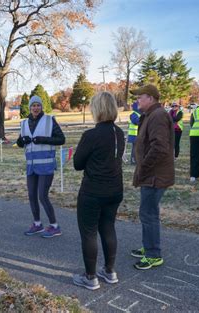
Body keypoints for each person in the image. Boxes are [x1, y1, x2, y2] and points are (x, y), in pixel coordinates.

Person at [72, 92, 125, 291]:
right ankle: (110, 271)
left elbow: (77, 163)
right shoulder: (119, 133)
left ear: (97, 109)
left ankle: (90, 276)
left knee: (89, 233)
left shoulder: (91, 135)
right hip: (114, 190)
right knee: (108, 228)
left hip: (93, 191)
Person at [129, 84, 174, 270]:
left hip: (154, 175)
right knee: (148, 212)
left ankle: (153, 254)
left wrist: (144, 168)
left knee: (148, 214)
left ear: (151, 98)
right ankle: (148, 246)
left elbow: (159, 148)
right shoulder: (150, 115)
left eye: (140, 97)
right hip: (151, 174)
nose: (137, 100)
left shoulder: (158, 116)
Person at [17, 95, 65, 238]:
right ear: (29, 107)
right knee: (32, 196)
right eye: (33, 105)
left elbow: (61, 139)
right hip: (31, 166)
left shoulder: (49, 120)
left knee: (42, 196)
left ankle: (55, 226)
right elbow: (20, 143)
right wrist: (21, 140)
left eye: (38, 105)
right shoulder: (24, 123)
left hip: (46, 166)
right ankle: (37, 224)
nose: (36, 108)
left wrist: (44, 140)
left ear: (41, 107)